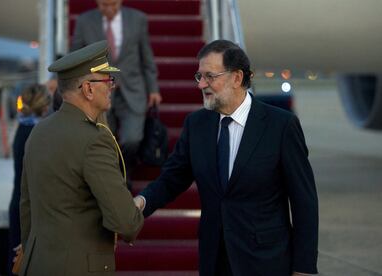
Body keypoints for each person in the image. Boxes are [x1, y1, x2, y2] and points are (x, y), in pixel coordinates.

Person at [134, 40, 319, 276]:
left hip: (267, 261)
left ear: (237, 78)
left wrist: (304, 268)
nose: (201, 84)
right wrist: (141, 202)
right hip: (215, 260)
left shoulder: (280, 125)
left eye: (210, 76)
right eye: (199, 76)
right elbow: (172, 179)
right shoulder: (196, 124)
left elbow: (304, 201)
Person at [18, 41, 144, 276]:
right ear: (88, 89)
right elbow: (125, 221)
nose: (112, 88)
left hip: (37, 264)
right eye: (108, 81)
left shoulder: (39, 131)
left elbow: (27, 206)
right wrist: (136, 207)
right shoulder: (94, 140)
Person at [71, 0, 161, 187]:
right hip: (98, 91)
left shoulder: (138, 19)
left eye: (113, 4)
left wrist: (153, 89)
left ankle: (125, 168)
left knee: (132, 139)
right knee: (104, 139)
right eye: (104, 5)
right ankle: (112, 178)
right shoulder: (85, 21)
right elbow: (75, 57)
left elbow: (146, 56)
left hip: (132, 89)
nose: (109, 9)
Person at [8, 84, 51, 275]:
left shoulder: (22, 127)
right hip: (30, 207)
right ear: (44, 108)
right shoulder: (37, 134)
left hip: (17, 202)